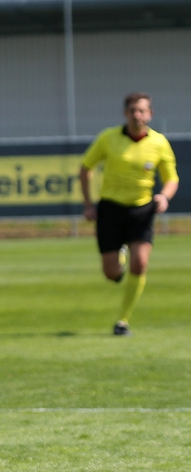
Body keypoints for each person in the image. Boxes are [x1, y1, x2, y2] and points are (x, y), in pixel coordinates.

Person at [78, 92, 179, 337]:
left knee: (141, 262)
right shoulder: (108, 138)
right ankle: (120, 256)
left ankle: (122, 321)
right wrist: (89, 204)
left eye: (142, 110)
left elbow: (171, 178)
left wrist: (164, 196)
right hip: (111, 209)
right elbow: (85, 169)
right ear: (125, 113)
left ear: (150, 114)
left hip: (142, 209)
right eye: (133, 110)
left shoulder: (159, 143)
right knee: (112, 274)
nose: (137, 115)